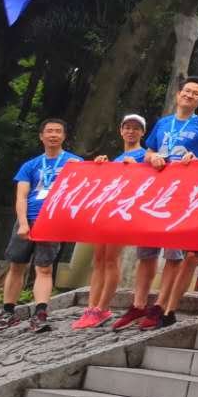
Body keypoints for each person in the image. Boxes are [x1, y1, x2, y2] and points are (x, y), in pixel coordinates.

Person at [138, 77, 198, 330]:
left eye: (195, 93)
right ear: (178, 94)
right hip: (158, 193)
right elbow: (148, 152)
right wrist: (153, 157)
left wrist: (196, 160)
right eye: (186, 91)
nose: (189, 95)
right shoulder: (163, 123)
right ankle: (139, 305)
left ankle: (161, 306)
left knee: (174, 253)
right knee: (147, 250)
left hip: (184, 195)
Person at [0, 118, 81, 333]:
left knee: (44, 268)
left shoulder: (74, 162)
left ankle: (40, 314)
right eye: (49, 131)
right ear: (41, 136)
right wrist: (23, 223)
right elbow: (21, 196)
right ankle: (7, 312)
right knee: (16, 265)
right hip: (28, 219)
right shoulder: (30, 165)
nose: (53, 135)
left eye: (58, 131)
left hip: (52, 221)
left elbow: (86, 184)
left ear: (64, 136)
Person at [75, 113, 148, 331]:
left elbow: (148, 181)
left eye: (136, 128)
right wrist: (101, 166)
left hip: (124, 212)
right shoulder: (117, 158)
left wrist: (136, 167)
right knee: (98, 259)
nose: (131, 131)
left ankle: (103, 307)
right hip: (106, 210)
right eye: (127, 127)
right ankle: (91, 308)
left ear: (143, 132)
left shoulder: (145, 155)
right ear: (121, 131)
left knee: (111, 259)